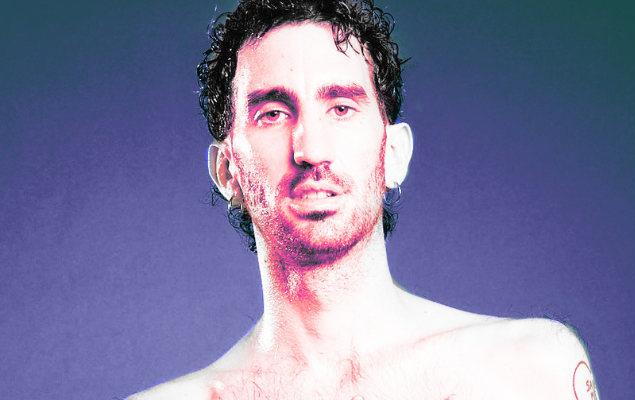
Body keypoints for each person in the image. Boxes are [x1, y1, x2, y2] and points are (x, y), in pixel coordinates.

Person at [129, 0, 599, 399]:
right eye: (272, 113)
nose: (311, 149)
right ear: (227, 171)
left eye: (341, 107)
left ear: (393, 154)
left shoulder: (527, 371)